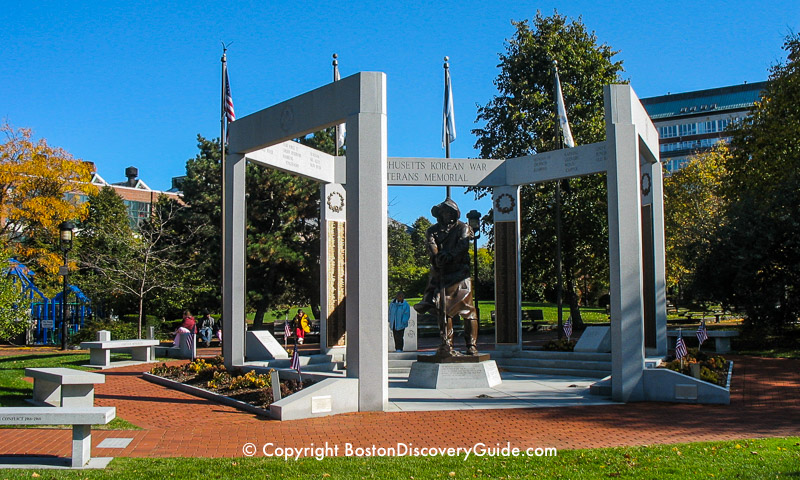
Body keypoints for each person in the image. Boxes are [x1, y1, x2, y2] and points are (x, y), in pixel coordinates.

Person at [414, 198, 479, 357]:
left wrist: (449, 256)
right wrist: (437, 258)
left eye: (450, 212)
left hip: (460, 275)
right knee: (443, 309)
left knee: (468, 311)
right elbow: (431, 246)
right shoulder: (432, 230)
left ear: (455, 213)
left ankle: (471, 345)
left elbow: (462, 245)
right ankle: (446, 344)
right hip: (442, 273)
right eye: (444, 212)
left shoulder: (463, 227)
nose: (447, 215)